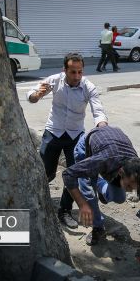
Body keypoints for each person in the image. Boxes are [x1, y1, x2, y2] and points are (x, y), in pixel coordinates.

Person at [27, 52, 108, 228]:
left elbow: (98, 110)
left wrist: (103, 127)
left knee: (75, 174)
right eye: (73, 72)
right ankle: (38, 204)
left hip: (75, 136)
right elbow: (32, 94)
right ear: (64, 70)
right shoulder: (55, 80)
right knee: (45, 172)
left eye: (80, 72)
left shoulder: (88, 87)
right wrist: (36, 96)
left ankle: (64, 210)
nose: (77, 76)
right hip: (53, 132)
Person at [62, 126, 140, 246]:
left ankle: (99, 184)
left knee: (119, 198)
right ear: (120, 173)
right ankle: (97, 227)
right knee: (88, 193)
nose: (130, 190)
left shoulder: (137, 174)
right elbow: (68, 174)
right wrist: (82, 204)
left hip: (112, 149)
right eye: (129, 186)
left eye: (133, 188)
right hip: (87, 149)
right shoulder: (101, 160)